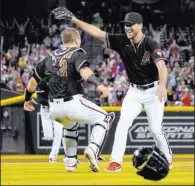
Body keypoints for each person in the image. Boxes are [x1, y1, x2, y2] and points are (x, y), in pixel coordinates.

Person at [57, 8, 173, 171]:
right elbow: (97, 32)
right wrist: (75, 21)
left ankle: (167, 157)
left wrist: (162, 85)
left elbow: (161, 65)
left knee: (155, 129)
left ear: (140, 25)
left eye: (130, 25)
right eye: (126, 25)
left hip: (153, 90)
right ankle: (116, 161)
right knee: (123, 123)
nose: (127, 28)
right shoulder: (122, 40)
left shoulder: (150, 44)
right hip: (134, 91)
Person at [24, 28, 115, 172]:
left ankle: (70, 162)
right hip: (72, 102)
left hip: (54, 108)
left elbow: (32, 82)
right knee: (105, 118)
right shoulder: (77, 53)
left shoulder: (48, 57)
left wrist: (27, 99)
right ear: (77, 40)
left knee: (70, 128)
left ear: (63, 41)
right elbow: (84, 71)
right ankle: (93, 149)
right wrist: (99, 84)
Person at [35, 80, 63, 163]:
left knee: (59, 132)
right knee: (48, 136)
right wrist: (51, 101)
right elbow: (40, 99)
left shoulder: (59, 80)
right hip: (46, 110)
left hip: (57, 109)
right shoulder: (41, 81)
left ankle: (53, 155)